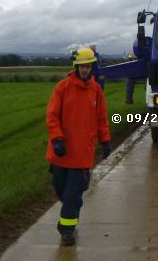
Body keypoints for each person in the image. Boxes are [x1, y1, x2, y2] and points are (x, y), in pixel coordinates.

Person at [45, 47, 112, 246]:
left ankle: (67, 229)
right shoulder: (62, 87)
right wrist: (57, 139)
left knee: (73, 195)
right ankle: (68, 216)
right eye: (82, 66)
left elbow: (102, 119)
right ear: (76, 66)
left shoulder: (96, 90)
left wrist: (106, 141)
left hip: (82, 155)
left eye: (88, 66)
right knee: (61, 190)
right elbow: (52, 116)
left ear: (92, 66)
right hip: (61, 152)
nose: (85, 70)